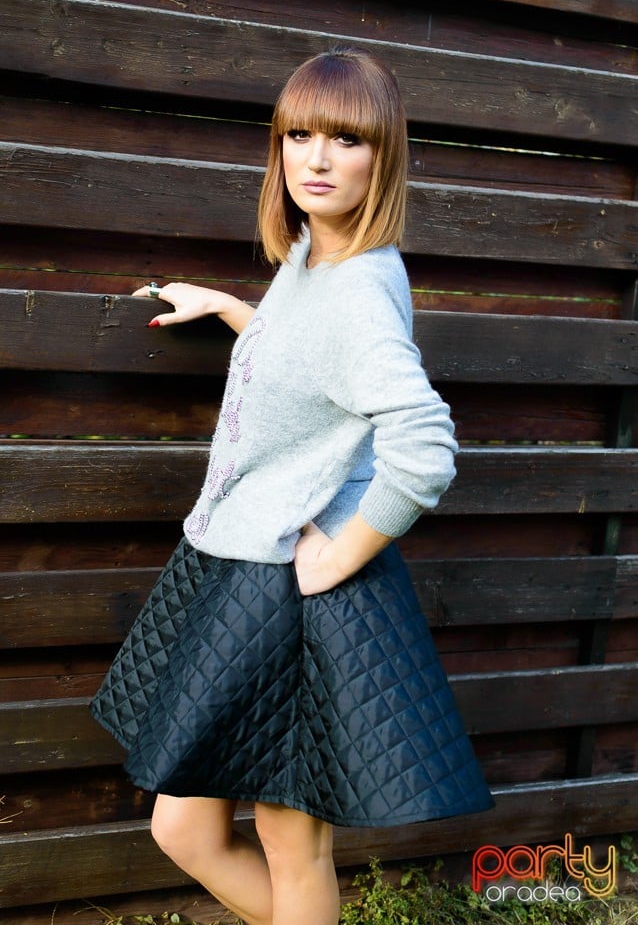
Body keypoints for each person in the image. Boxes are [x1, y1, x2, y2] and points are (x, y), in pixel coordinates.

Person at [91, 45, 493, 925]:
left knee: (288, 837)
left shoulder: (358, 293)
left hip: (295, 590)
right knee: (184, 827)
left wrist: (342, 553)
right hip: (240, 564)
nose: (316, 159)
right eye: (298, 135)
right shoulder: (314, 253)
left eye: (346, 140)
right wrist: (235, 312)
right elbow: (312, 367)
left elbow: (425, 446)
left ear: (383, 156)